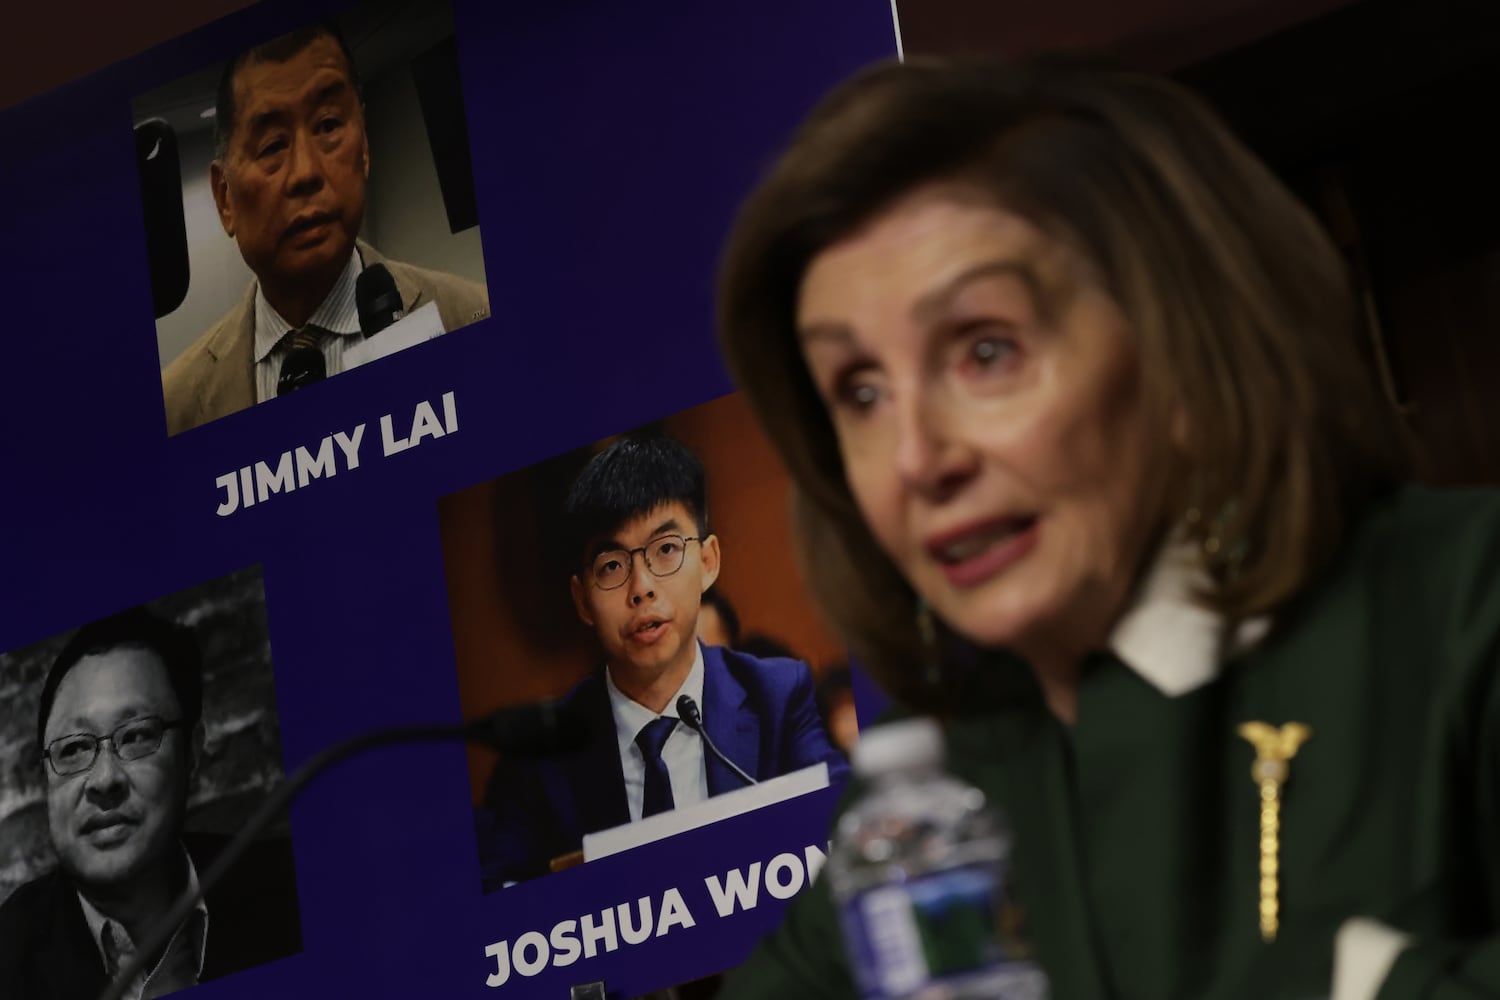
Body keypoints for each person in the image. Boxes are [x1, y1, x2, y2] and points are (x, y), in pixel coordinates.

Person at [712, 55, 1500, 1000]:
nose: (918, 457)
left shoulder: (1465, 600)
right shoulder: (938, 802)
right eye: (862, 392)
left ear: (1184, 344)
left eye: (985, 350)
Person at [476, 435, 849, 888]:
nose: (642, 587)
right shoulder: (541, 757)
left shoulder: (778, 696)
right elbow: (496, 904)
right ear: (582, 600)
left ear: (708, 562)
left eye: (666, 550)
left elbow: (844, 828)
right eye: (612, 565)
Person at [160, 23, 490, 434]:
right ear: (224, 195)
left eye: (329, 125)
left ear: (364, 147)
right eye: (273, 146)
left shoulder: (474, 319)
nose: (306, 172)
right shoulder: (175, 409)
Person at [0, 607, 301, 999]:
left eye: (137, 736)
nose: (104, 779)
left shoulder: (287, 891)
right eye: (73, 749)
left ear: (192, 752)